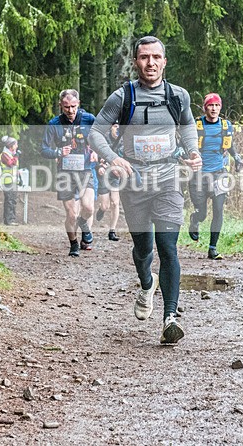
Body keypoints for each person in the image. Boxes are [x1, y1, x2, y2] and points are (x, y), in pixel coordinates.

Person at [89, 36, 202, 345]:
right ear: (135, 62)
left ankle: (169, 319)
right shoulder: (122, 97)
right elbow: (96, 133)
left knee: (168, 247)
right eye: (144, 57)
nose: (150, 63)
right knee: (144, 250)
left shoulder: (178, 97)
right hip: (134, 185)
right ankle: (146, 282)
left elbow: (188, 126)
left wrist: (192, 151)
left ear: (164, 61)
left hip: (168, 181)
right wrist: (114, 158)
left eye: (156, 57)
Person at [41, 89, 98, 257]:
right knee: (71, 213)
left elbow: (102, 138)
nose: (70, 111)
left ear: (78, 104)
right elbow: (44, 150)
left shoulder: (89, 119)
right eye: (66, 107)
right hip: (65, 173)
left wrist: (96, 152)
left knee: (88, 207)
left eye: (73, 106)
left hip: (85, 170)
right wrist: (58, 152)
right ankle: (73, 244)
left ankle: (83, 224)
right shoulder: (54, 124)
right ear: (60, 106)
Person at [187, 93, 243, 260]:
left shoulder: (226, 126)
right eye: (210, 106)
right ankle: (195, 219)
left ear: (220, 107)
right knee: (203, 213)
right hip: (199, 174)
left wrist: (238, 159)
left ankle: (213, 248)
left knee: (218, 209)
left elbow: (230, 144)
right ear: (205, 108)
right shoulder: (196, 126)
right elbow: (185, 145)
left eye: (217, 106)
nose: (214, 109)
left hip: (220, 173)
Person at [95, 123, 122, 242]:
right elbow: (94, 154)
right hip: (104, 174)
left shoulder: (124, 140)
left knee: (115, 203)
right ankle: (101, 210)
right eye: (115, 126)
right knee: (105, 205)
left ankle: (112, 231)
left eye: (120, 126)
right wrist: (98, 167)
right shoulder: (103, 139)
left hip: (116, 175)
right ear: (111, 127)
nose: (117, 129)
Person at [0, 135, 21, 225]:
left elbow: (15, 168)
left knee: (13, 200)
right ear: (11, 146)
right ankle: (9, 220)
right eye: (15, 145)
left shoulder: (11, 154)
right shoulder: (4, 155)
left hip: (14, 181)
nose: (17, 146)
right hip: (7, 181)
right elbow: (11, 163)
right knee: (9, 200)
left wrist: (20, 177)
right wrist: (16, 156)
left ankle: (11, 219)